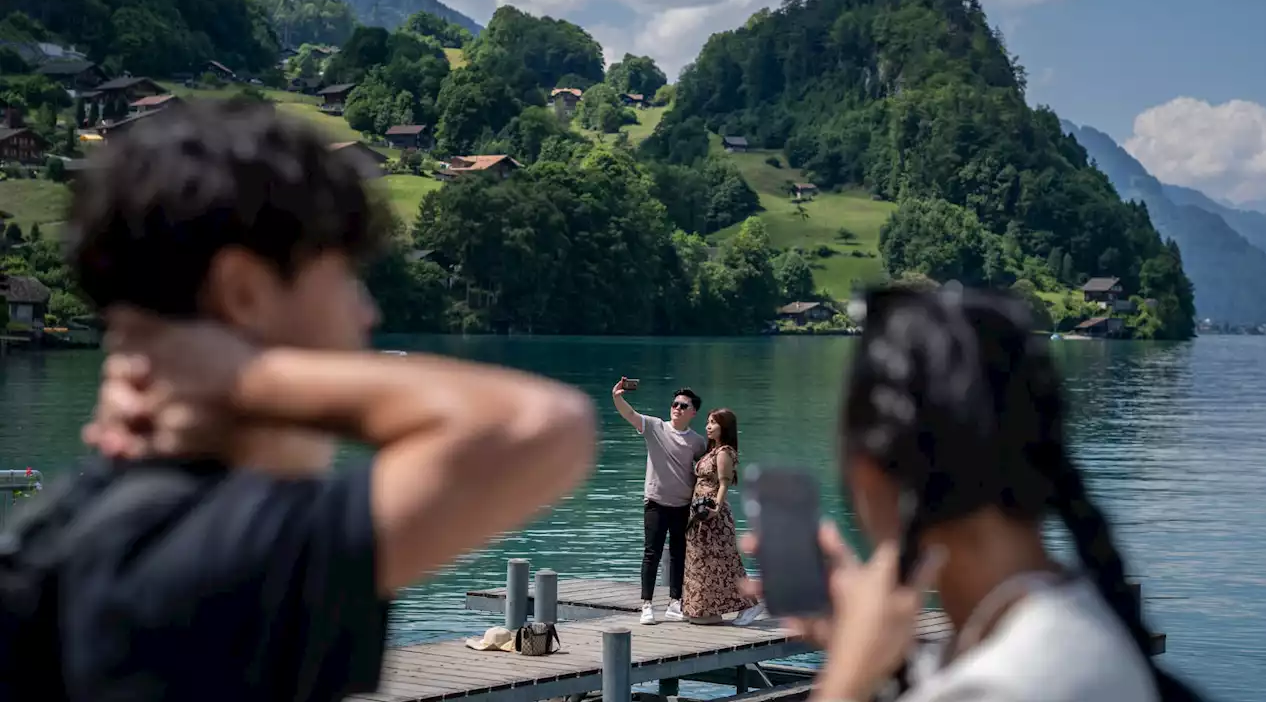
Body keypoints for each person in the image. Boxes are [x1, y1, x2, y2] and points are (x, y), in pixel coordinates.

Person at [2, 99, 598, 702]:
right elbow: (538, 425)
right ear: (244, 291)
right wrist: (245, 378)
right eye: (343, 277)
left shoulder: (70, 533)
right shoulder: (205, 560)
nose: (367, 311)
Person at [744, 287, 1203, 702]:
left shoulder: (998, 686)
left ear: (868, 472)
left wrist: (846, 679)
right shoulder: (1071, 629)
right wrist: (880, 656)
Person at [612, 379, 705, 624]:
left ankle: (676, 602)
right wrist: (617, 397)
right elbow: (630, 414)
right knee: (651, 553)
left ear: (693, 412)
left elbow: (705, 469)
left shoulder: (697, 442)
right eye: (675, 404)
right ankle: (647, 605)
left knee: (678, 554)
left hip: (683, 505)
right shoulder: (655, 427)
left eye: (683, 406)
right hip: (655, 502)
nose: (677, 408)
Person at [681, 408, 765, 626]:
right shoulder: (711, 450)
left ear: (724, 427)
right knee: (703, 561)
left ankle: (752, 604)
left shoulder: (724, 452)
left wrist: (716, 510)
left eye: (713, 423)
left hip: (713, 514)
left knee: (724, 562)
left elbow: (724, 483)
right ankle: (706, 608)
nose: (708, 426)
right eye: (708, 422)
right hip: (699, 513)